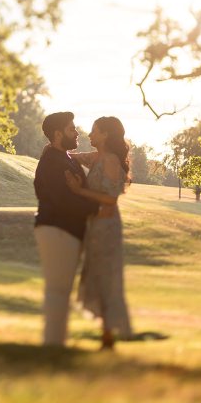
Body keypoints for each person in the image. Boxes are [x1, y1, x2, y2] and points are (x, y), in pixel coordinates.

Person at [66, 116, 134, 349]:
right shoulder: (96, 157)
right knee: (94, 274)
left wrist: (78, 191)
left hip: (107, 226)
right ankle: (106, 335)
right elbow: (68, 156)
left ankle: (109, 337)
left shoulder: (111, 161)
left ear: (105, 135)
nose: (89, 135)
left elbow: (110, 199)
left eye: (94, 131)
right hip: (94, 224)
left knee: (106, 277)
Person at [33, 112, 101, 346]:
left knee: (62, 290)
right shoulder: (53, 162)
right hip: (56, 228)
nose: (77, 132)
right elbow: (64, 199)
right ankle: (52, 344)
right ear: (58, 133)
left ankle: (56, 342)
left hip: (68, 230)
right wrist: (97, 203)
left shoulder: (64, 157)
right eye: (72, 129)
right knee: (57, 290)